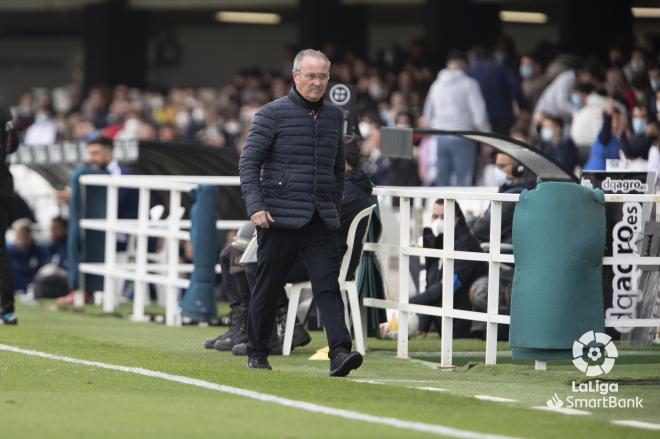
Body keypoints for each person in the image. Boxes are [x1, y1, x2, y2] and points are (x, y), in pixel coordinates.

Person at [239, 48, 362, 376]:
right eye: (311, 75)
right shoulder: (271, 113)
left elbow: (338, 169)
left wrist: (333, 206)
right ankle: (257, 350)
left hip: (321, 219)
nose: (318, 82)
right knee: (268, 285)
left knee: (327, 286)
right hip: (278, 217)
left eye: (323, 76)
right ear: (295, 76)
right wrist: (256, 207)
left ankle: (340, 352)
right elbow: (249, 162)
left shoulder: (334, 116)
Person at [411, 199, 487, 338]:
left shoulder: (467, 244)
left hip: (466, 323)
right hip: (448, 323)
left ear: (456, 219)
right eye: (435, 216)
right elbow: (432, 283)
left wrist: (409, 303)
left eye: (444, 217)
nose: (438, 221)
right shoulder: (436, 239)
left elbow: (449, 285)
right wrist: (424, 324)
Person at [422, 50, 490, 186]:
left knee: (442, 180)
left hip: (440, 136)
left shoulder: (436, 85)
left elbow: (427, 114)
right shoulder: (469, 84)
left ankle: (441, 207)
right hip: (463, 135)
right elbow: (479, 114)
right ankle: (461, 208)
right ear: (463, 64)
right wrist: (486, 137)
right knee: (463, 180)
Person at [471, 153, 536, 244]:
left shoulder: (517, 196)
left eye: (502, 166)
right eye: (496, 165)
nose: (498, 170)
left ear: (518, 168)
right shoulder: (505, 189)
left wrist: (480, 220)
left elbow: (482, 229)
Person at [1, 105, 20, 324]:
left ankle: (6, 309)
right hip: (4, 184)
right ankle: (7, 310)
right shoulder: (5, 111)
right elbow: (13, 145)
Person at [7, 219, 47, 295]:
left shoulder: (37, 250)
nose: (23, 236)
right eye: (21, 233)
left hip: (32, 287)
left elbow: (41, 268)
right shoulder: (9, 251)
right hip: (13, 287)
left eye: (26, 233)